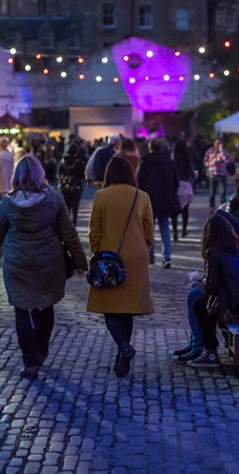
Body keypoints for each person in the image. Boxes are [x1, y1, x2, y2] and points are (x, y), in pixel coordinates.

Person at [0, 156, 88, 380]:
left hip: (17, 263)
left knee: (22, 310)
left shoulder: (8, 203)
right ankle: (42, 350)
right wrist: (80, 261)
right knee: (45, 306)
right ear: (40, 174)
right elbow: (68, 233)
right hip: (48, 263)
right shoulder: (53, 200)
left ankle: (30, 362)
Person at [170, 210, 239, 364]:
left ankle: (208, 351)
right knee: (201, 300)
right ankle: (197, 347)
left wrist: (202, 281)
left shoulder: (215, 251)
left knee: (199, 304)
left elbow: (211, 289)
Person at [87, 156, 154, 378]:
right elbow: (148, 231)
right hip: (137, 257)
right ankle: (122, 352)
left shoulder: (101, 196)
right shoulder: (141, 196)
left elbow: (94, 230)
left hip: (110, 255)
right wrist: (141, 249)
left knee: (110, 306)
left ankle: (124, 347)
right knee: (128, 308)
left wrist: (96, 251)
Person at [137, 137, 181, 268]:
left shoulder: (144, 161)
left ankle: (150, 256)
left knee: (149, 229)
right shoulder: (168, 161)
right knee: (164, 228)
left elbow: (139, 180)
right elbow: (176, 181)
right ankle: (167, 257)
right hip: (164, 199)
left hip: (148, 199)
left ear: (150, 147)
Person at [172, 140, 196, 241]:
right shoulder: (187, 158)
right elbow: (191, 172)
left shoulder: (173, 160)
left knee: (174, 210)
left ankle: (175, 231)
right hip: (185, 184)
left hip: (175, 185)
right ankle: (184, 230)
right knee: (185, 210)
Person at [57, 144, 87, 225]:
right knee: (75, 210)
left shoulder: (62, 162)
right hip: (76, 188)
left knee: (66, 210)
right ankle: (73, 228)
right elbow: (83, 175)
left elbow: (58, 175)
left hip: (64, 188)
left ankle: (66, 228)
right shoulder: (78, 162)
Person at [204, 138, 229, 210]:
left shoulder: (224, 151)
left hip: (221, 173)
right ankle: (212, 208)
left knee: (222, 192)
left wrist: (221, 151)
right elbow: (205, 162)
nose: (217, 145)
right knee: (212, 192)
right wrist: (210, 163)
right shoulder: (210, 151)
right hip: (212, 173)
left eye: (219, 143)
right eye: (216, 143)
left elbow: (226, 160)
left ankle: (223, 208)